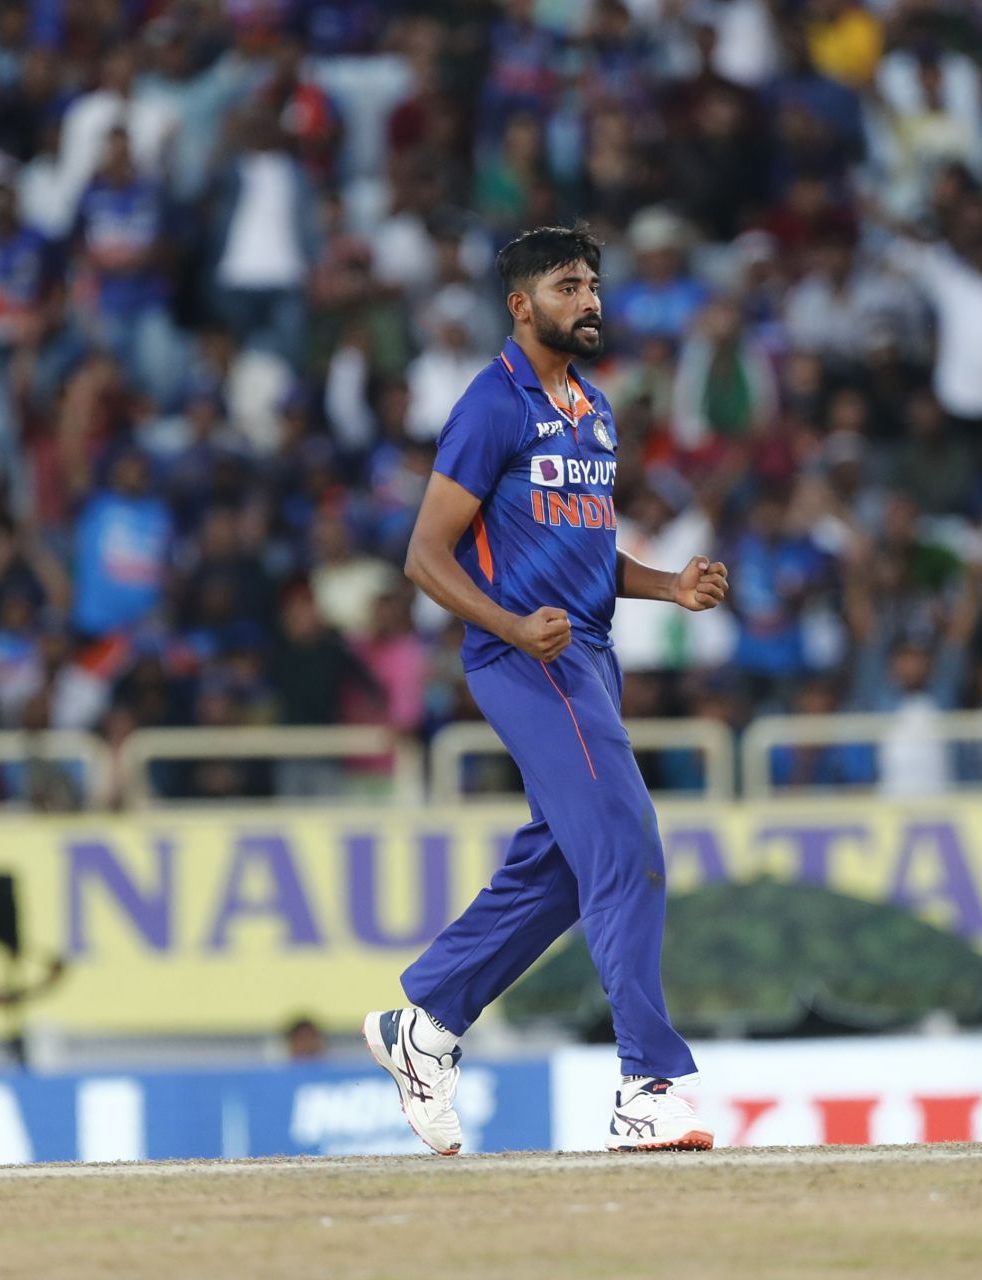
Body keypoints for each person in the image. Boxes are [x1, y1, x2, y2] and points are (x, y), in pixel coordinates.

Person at [364, 224, 730, 1156]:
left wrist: (666, 586)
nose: (591, 299)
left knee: (569, 864)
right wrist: (512, 625)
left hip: (587, 656)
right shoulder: (491, 405)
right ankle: (648, 1083)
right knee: (626, 839)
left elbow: (584, 550)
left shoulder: (593, 410)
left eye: (594, 284)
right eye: (570, 286)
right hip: (527, 659)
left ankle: (428, 1024)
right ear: (523, 305)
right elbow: (424, 555)